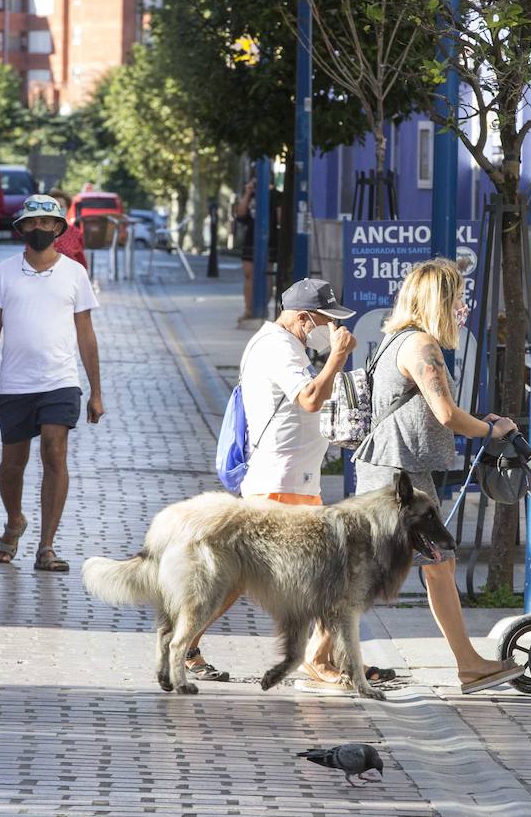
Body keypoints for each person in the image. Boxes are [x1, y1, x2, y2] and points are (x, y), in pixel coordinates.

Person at [183, 278, 383, 686]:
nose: (330, 330)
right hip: (279, 482)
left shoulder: (287, 345)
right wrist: (338, 358)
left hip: (294, 480)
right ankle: (319, 659)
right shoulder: (277, 347)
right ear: (304, 318)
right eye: (326, 321)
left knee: (303, 574)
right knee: (324, 572)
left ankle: (325, 656)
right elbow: (309, 398)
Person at [353, 258, 526, 695]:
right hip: (398, 478)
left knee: (438, 565)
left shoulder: (396, 340)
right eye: (457, 298)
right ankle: (320, 655)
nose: (461, 307)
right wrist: (492, 430)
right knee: (372, 572)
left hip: (399, 471)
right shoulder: (421, 346)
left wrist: (479, 422)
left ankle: (468, 663)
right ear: (438, 300)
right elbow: (446, 414)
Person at [0, 194, 105, 573]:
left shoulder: (75, 274)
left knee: (54, 450)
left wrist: (96, 391)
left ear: (58, 228)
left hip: (60, 381)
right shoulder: (4, 272)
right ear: (22, 228)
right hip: (14, 383)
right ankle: (15, 520)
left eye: (46, 223)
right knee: (12, 465)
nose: (38, 228)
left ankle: (46, 545)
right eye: (31, 223)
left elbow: (87, 334)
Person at [234, 178, 256, 321]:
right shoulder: (251, 197)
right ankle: (248, 309)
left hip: (269, 240)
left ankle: (260, 306)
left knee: (265, 275)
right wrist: (248, 193)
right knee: (248, 274)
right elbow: (240, 214)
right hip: (251, 240)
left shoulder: (274, 196)